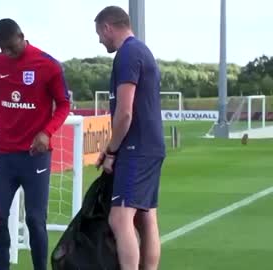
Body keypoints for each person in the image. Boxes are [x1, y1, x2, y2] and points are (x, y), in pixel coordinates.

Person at [0, 18, 71, 270]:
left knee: (35, 220)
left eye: (12, 47)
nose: (8, 53)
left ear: (22, 36)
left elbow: (64, 104)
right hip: (5, 157)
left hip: (36, 156)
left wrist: (47, 132)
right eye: (3, 48)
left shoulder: (48, 65)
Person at [94, 6, 165, 270]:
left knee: (120, 219)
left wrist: (112, 152)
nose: (100, 40)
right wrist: (111, 150)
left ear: (107, 27)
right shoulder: (141, 51)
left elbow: (124, 113)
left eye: (99, 34)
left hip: (136, 148)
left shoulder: (127, 54)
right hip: (149, 146)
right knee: (145, 218)